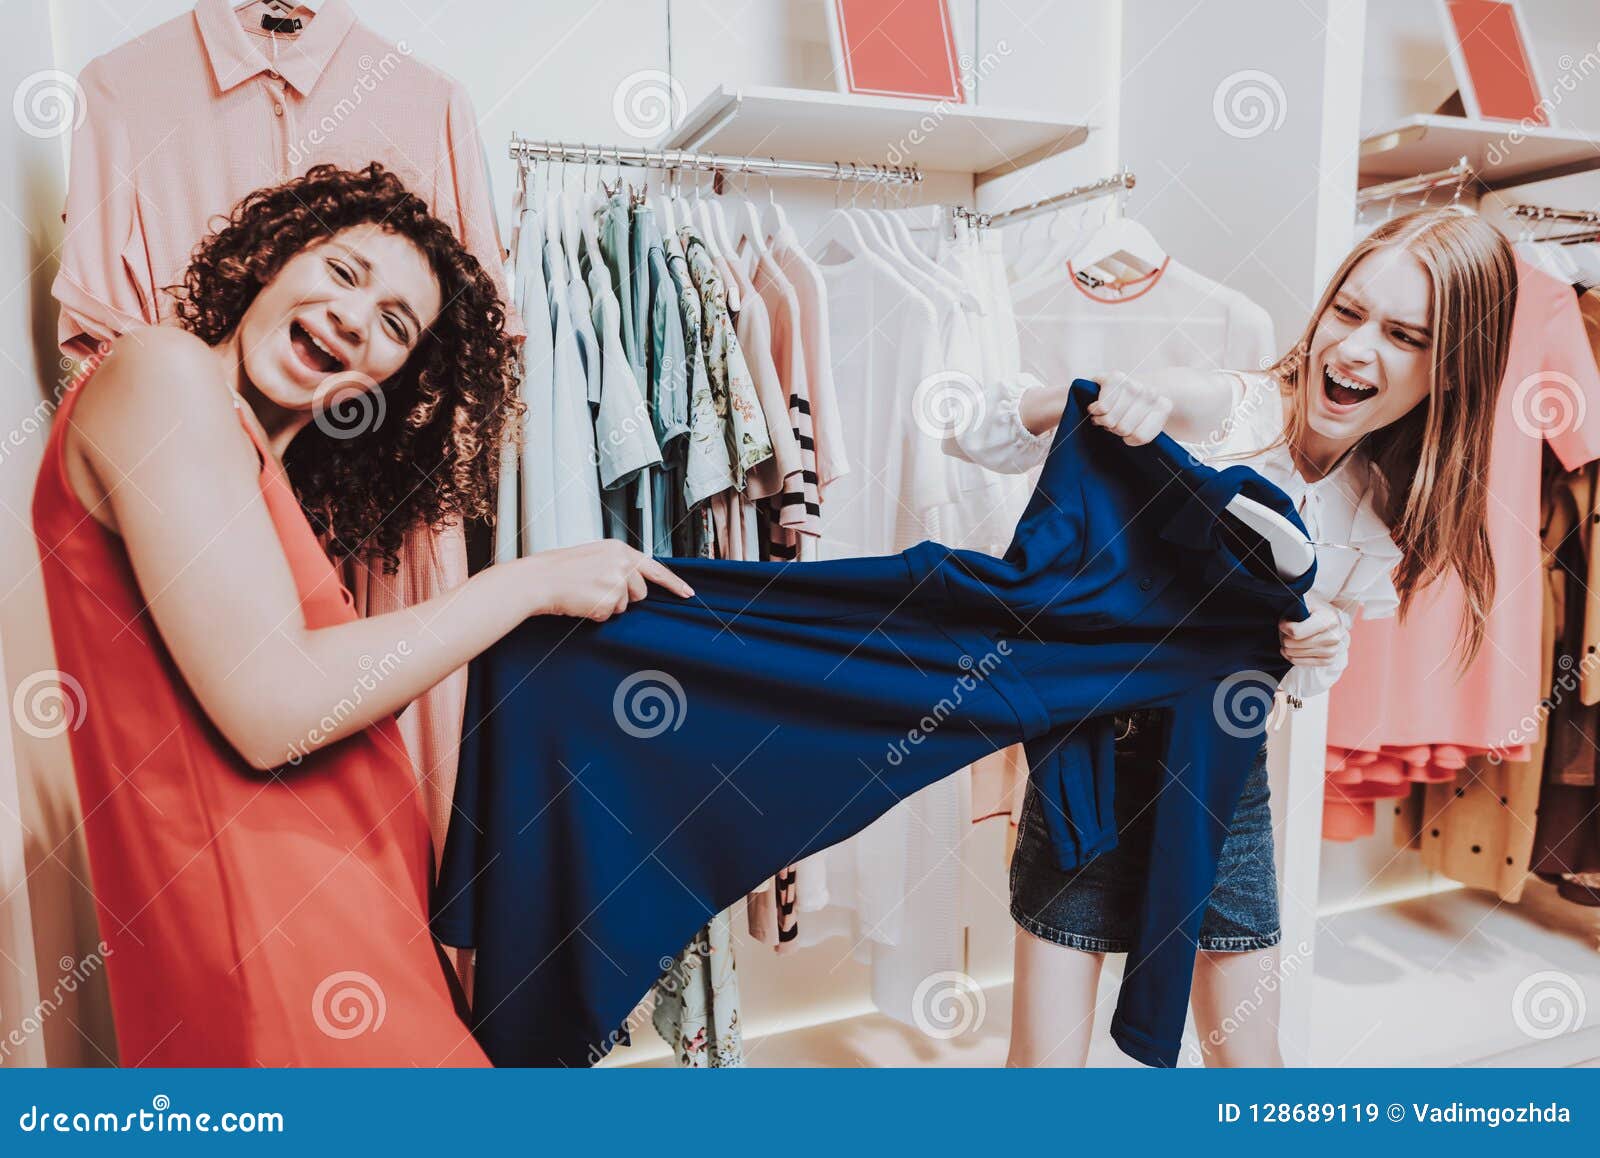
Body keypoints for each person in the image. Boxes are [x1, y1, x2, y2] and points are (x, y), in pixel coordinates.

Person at [32, 162, 693, 1066]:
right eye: (343, 273)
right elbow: (272, 711)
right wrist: (527, 585)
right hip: (277, 958)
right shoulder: (161, 370)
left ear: (389, 380)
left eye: (393, 325)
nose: (354, 317)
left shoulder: (257, 476)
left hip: (349, 933)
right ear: (270, 259)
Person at [951, 206, 1514, 1067]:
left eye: (1404, 335)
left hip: (1222, 780)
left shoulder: (1382, 510)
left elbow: (1294, 678)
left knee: (1251, 1069)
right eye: (1349, 311)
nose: (1356, 348)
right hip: (1090, 761)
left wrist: (1321, 647)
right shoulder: (1230, 411)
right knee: (1043, 1079)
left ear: (1454, 372)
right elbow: (975, 434)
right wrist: (1087, 400)